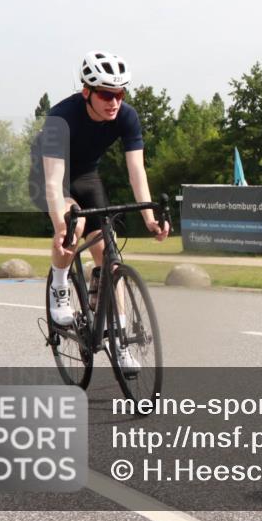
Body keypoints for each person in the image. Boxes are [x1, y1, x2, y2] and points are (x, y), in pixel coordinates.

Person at [30, 51, 170, 375]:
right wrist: (61, 227)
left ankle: (119, 344)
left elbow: (137, 170)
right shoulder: (60, 118)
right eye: (106, 94)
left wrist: (149, 218)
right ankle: (60, 288)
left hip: (87, 177)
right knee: (73, 225)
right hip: (52, 178)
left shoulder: (127, 116)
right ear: (86, 93)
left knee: (109, 255)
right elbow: (53, 182)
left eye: (119, 93)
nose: (114, 102)